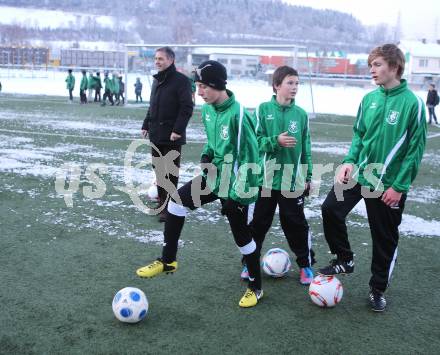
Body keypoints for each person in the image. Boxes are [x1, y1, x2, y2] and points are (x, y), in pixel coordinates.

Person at [136, 60, 264, 308]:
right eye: (198, 86)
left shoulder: (238, 114)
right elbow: (213, 143)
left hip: (236, 184)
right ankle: (168, 260)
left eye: (204, 86)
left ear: (217, 85)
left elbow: (252, 159)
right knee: (175, 203)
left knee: (242, 238)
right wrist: (207, 155)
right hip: (213, 178)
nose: (200, 92)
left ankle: (256, 287)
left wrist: (239, 198)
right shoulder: (207, 111)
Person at [318, 44, 427, 312]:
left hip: (388, 184)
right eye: (371, 65)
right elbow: (359, 134)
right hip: (360, 173)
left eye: (377, 65)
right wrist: (349, 162)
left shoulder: (412, 104)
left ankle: (377, 289)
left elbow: (415, 150)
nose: (372, 70)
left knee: (384, 238)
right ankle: (345, 258)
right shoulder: (369, 99)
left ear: (394, 67)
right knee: (330, 209)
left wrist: (399, 187)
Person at [241, 66, 315, 285]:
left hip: (292, 179)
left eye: (297, 83)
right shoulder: (263, 110)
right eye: (290, 83)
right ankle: (248, 263)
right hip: (265, 179)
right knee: (258, 224)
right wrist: (276, 141)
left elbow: (306, 148)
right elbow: (253, 142)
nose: (294, 88)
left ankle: (305, 265)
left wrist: (308, 175)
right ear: (276, 85)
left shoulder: (300, 114)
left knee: (295, 223)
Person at [141, 46, 193, 222]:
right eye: (156, 59)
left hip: (172, 136)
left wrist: (177, 130)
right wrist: (146, 124)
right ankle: (162, 203)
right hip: (156, 134)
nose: (157, 61)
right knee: (159, 172)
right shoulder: (157, 80)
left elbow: (187, 108)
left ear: (171, 60)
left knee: (170, 174)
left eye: (161, 59)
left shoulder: (181, 81)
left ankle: (170, 209)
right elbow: (152, 105)